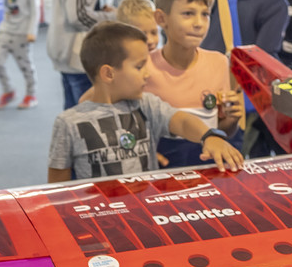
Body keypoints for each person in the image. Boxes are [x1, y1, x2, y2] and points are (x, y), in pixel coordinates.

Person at [47, 21, 244, 184]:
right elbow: (57, 184)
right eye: (140, 66)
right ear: (109, 73)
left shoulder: (147, 104)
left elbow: (181, 121)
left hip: (145, 209)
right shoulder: (67, 123)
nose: (147, 73)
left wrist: (209, 136)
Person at [147, 0, 242, 168]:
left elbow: (222, 130)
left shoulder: (219, 62)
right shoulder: (144, 67)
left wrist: (232, 118)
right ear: (161, 18)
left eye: (205, 14)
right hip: (161, 170)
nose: (199, 23)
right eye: (188, 13)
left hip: (208, 166)